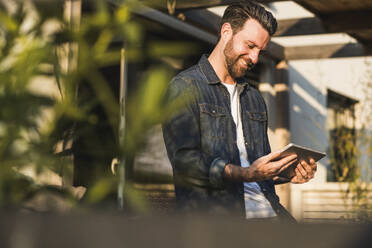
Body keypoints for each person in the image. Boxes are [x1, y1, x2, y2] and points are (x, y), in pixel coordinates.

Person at [162, 2, 317, 221]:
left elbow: (254, 170)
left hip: (273, 216)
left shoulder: (254, 98)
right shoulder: (185, 87)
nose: (255, 58)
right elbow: (185, 162)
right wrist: (246, 174)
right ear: (226, 31)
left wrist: (285, 173)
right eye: (250, 45)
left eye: (260, 51)